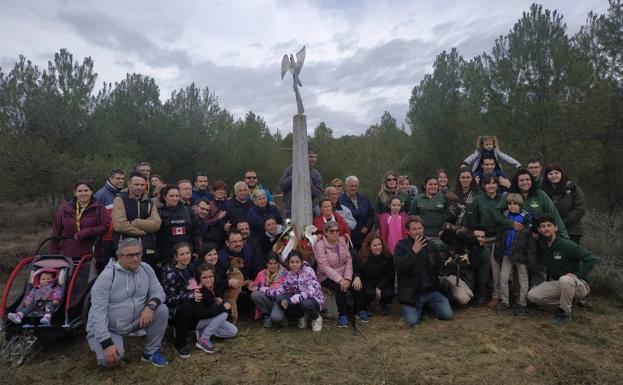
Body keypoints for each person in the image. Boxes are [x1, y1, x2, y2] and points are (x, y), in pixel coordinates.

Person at [86, 238, 168, 367]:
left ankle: (151, 352)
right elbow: (98, 313)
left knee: (161, 309)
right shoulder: (107, 277)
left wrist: (150, 307)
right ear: (119, 256)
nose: (135, 259)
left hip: (135, 321)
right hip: (110, 327)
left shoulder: (146, 268)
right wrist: (106, 343)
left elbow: (158, 291)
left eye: (138, 254)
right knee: (110, 361)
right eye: (130, 255)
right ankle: (97, 344)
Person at [527, 215, 598, 325]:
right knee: (532, 296)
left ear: (555, 228)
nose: (546, 228)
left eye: (549, 226)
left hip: (578, 284)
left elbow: (591, 259)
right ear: (540, 230)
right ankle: (568, 302)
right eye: (543, 226)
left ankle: (565, 313)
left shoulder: (567, 245)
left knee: (565, 279)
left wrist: (577, 275)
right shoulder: (543, 244)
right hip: (558, 283)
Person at [394, 216, 453, 326]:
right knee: (412, 321)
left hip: (431, 291)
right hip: (412, 293)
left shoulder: (431, 245)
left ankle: (426, 307)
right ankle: (419, 308)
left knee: (447, 315)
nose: (418, 231)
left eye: (420, 228)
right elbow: (399, 267)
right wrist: (413, 252)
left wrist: (444, 273)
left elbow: (439, 266)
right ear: (407, 231)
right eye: (414, 229)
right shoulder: (401, 246)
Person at [255, 250, 324, 332]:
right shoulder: (289, 275)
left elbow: (310, 291)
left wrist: (291, 300)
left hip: (314, 299)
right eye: (292, 262)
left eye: (297, 262)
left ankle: (316, 318)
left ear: (301, 262)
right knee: (281, 299)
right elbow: (279, 291)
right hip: (298, 300)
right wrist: (260, 288)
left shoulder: (308, 271)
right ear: (288, 263)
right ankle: (301, 317)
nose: (294, 265)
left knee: (305, 303)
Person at [494, 193, 537, 315]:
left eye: (515, 204)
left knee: (523, 278)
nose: (512, 206)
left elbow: (529, 237)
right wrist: (498, 251)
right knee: (503, 277)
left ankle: (522, 303)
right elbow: (500, 236)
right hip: (507, 253)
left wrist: (529, 254)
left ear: (520, 204)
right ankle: (505, 301)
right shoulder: (505, 216)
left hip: (520, 253)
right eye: (509, 204)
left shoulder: (526, 217)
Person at [466, 175, 504, 307]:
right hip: (483, 237)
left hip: (498, 237)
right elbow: (473, 219)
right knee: (483, 265)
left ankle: (496, 294)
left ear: (497, 185)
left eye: (494, 183)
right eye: (488, 183)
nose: (491, 186)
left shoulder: (503, 199)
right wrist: (479, 232)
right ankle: (481, 293)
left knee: (495, 267)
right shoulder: (478, 200)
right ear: (484, 185)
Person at [112, 172, 162, 272]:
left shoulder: (149, 201)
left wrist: (136, 222)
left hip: (147, 249)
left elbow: (156, 224)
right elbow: (120, 225)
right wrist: (143, 232)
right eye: (136, 184)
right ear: (129, 184)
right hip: (126, 249)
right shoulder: (120, 199)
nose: (139, 187)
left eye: (142, 185)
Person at [50, 180, 109, 264]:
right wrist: (53, 255)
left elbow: (105, 227)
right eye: (80, 191)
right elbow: (56, 233)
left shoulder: (99, 208)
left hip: (89, 254)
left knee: (86, 276)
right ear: (75, 193)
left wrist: (86, 232)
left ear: (91, 192)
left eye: (86, 190)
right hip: (67, 254)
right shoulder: (64, 209)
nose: (83, 193)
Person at [188, 263, 238, 353]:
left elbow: (217, 301)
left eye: (211, 276)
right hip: (197, 321)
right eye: (204, 277)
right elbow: (200, 314)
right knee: (223, 313)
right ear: (199, 278)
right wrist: (222, 307)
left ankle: (204, 331)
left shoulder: (213, 287)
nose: (208, 279)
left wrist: (219, 302)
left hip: (209, 319)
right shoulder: (198, 291)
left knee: (233, 331)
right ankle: (204, 339)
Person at [313, 220, 353, 328]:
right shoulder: (320, 245)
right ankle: (343, 315)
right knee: (339, 287)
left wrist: (348, 278)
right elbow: (324, 267)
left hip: (344, 273)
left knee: (356, 282)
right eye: (332, 231)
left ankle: (359, 309)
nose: (335, 233)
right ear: (325, 232)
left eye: (337, 230)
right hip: (326, 276)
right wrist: (341, 280)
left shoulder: (342, 241)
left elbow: (349, 260)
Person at [162, 242, 198, 358]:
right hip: (174, 308)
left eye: (187, 253)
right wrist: (190, 296)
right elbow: (169, 299)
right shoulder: (171, 272)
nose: (186, 256)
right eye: (182, 254)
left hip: (191, 301)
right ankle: (180, 343)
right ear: (176, 257)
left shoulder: (191, 267)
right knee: (187, 306)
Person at [352, 232, 395, 318]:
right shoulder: (362, 256)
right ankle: (367, 305)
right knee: (369, 293)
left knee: (388, 293)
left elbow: (390, 274)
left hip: (384, 282)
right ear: (369, 247)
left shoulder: (388, 256)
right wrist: (356, 277)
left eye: (379, 244)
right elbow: (357, 269)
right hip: (369, 282)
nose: (378, 247)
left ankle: (384, 304)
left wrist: (379, 286)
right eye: (374, 245)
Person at [541, 163, 586, 244]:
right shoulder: (543, 191)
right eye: (550, 173)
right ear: (546, 176)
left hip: (572, 231)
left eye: (556, 173)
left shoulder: (573, 188)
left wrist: (561, 223)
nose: (554, 175)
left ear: (561, 174)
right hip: (550, 231)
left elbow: (580, 208)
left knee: (572, 255)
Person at [157, 185, 201, 267]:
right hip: (168, 255)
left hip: (186, 254)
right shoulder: (159, 212)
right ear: (165, 197)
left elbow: (196, 231)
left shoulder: (188, 210)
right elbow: (157, 236)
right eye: (171, 196)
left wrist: (196, 250)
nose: (175, 198)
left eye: (177, 196)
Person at [278, 148, 323, 218]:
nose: (313, 159)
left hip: (308, 210)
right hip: (290, 210)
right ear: (304, 157)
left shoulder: (316, 174)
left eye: (315, 157)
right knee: (291, 229)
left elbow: (318, 193)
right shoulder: (292, 168)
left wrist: (308, 183)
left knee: (306, 229)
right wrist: (294, 176)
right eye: (311, 157)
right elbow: (282, 186)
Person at [95, 168, 125, 270]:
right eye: (118, 178)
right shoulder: (101, 195)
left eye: (122, 178)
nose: (121, 181)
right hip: (106, 240)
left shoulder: (121, 193)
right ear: (110, 179)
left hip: (119, 238)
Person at [408, 176, 454, 242]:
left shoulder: (444, 197)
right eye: (430, 184)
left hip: (441, 235)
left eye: (435, 184)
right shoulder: (417, 199)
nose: (433, 186)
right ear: (425, 186)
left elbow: (451, 215)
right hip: (423, 235)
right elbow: (411, 217)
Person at [249, 254, 287, 328]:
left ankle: (280, 317)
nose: (273, 266)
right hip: (267, 301)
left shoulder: (284, 273)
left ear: (279, 263)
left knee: (277, 318)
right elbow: (255, 284)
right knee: (255, 294)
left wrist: (261, 288)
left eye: (275, 263)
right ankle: (267, 315)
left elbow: (282, 291)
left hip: (279, 302)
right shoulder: (261, 273)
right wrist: (251, 284)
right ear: (266, 264)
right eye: (270, 263)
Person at [339, 176, 375, 250]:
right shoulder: (340, 200)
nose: (354, 188)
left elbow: (371, 214)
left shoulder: (363, 198)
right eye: (351, 186)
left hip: (364, 236)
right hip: (350, 237)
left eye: (355, 186)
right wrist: (358, 212)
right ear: (346, 186)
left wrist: (367, 226)